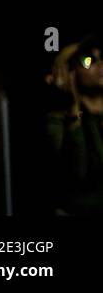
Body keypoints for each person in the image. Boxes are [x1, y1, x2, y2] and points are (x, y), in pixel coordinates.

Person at [45, 33, 103, 214]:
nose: (101, 65)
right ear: (69, 73)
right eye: (88, 60)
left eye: (102, 58)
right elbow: (76, 173)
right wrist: (73, 108)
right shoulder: (57, 122)